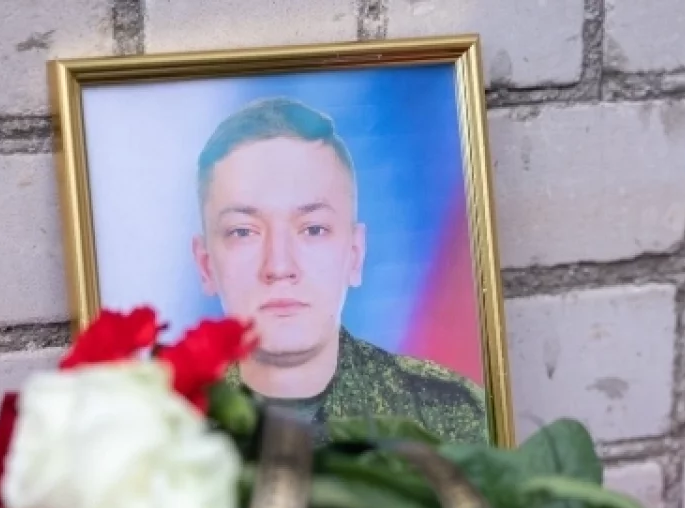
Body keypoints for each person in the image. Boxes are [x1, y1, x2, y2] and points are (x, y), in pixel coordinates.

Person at [190, 96, 490, 444]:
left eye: (313, 229)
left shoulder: (449, 416)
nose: (279, 266)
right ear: (205, 265)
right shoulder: (163, 426)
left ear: (355, 255)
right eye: (243, 232)